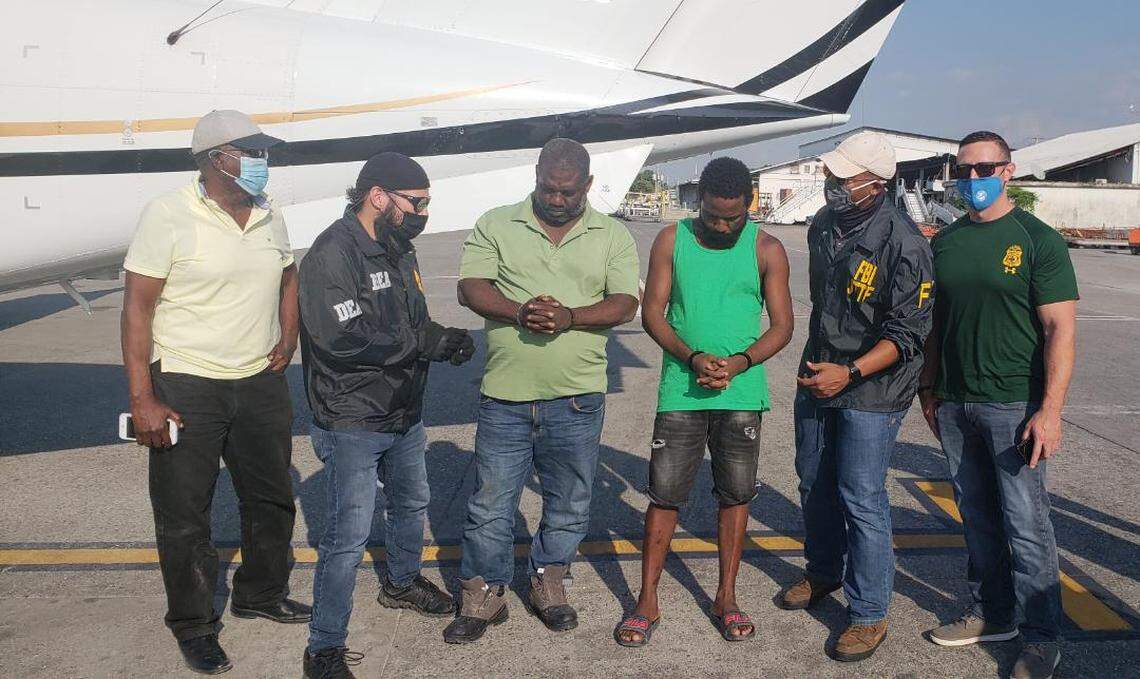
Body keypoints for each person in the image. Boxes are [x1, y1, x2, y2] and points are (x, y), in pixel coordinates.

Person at [121, 109, 310, 675]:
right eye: (250, 151)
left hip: (258, 381)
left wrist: (289, 335)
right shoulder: (168, 215)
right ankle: (194, 624)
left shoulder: (269, 213)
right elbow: (137, 309)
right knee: (184, 516)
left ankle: (260, 593)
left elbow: (287, 276)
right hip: (186, 382)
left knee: (273, 498)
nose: (261, 161)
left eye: (263, 151)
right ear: (215, 159)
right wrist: (142, 398)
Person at [443, 138, 640, 644]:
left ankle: (549, 580)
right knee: (490, 503)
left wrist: (571, 316)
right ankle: (483, 592)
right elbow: (472, 287)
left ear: (588, 186)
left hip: (577, 398)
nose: (555, 198)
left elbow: (623, 304)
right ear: (535, 176)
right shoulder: (497, 222)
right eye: (547, 188)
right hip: (506, 396)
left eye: (567, 191)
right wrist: (520, 311)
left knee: (570, 500)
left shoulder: (611, 234)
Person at [298, 153, 475, 678]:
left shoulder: (400, 249)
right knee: (347, 538)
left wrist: (442, 338)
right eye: (415, 203)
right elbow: (340, 338)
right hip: (353, 416)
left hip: (402, 411)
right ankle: (324, 645)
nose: (422, 212)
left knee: (410, 503)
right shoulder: (333, 254)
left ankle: (401, 583)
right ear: (378, 196)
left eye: (425, 203)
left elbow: (410, 321)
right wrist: (424, 342)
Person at [614, 157, 794, 647]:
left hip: (742, 393)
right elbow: (653, 312)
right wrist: (691, 358)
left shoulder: (768, 249)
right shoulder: (673, 239)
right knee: (665, 494)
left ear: (749, 205)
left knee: (735, 496)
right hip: (681, 389)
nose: (721, 225)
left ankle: (726, 596)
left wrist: (740, 362)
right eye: (713, 216)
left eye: (732, 218)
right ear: (700, 203)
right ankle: (646, 600)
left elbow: (782, 326)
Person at [920, 131, 1077, 679]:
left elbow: (1060, 328)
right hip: (957, 403)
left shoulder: (1038, 240)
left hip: (1014, 403)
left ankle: (1041, 635)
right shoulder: (948, 241)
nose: (973, 180)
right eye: (964, 171)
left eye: (985, 169)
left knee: (1026, 524)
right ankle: (993, 614)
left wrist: (1050, 409)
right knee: (978, 518)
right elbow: (937, 323)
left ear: (1008, 171)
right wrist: (929, 387)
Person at [778, 130, 934, 662]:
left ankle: (868, 612)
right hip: (819, 375)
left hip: (872, 386)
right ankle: (823, 571)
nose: (831, 185)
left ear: (875, 183)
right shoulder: (823, 226)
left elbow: (908, 334)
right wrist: (825, 370)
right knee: (812, 480)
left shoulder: (906, 244)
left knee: (861, 496)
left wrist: (850, 372)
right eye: (830, 176)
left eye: (842, 178)